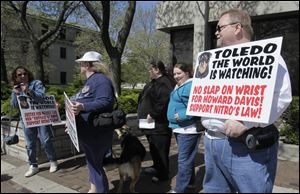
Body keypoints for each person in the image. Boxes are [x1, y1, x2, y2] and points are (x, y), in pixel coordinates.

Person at [201, 9, 292, 193]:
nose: (216, 32)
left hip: (244, 147)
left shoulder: (267, 57)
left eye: (220, 27)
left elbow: (281, 96)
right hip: (211, 143)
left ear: (237, 28)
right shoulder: (213, 60)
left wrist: (246, 121)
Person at [69, 51, 115, 193]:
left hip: (96, 132)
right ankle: (94, 188)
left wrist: (83, 106)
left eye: (81, 63)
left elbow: (106, 101)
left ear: (87, 65)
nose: (80, 65)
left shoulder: (101, 80)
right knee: (92, 162)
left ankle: (101, 190)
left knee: (95, 164)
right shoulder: (92, 80)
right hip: (88, 131)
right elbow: (82, 99)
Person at [11, 66, 58, 177]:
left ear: (28, 74)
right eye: (19, 75)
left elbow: (41, 98)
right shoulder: (16, 87)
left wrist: (28, 90)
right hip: (27, 119)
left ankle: (53, 161)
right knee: (30, 144)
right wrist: (16, 93)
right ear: (16, 77)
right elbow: (14, 106)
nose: (23, 76)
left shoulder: (36, 83)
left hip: (41, 117)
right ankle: (33, 165)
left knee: (45, 140)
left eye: (25, 73)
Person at [138, 60, 175, 182]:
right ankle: (156, 166)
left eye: (150, 69)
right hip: (150, 125)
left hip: (159, 125)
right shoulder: (153, 82)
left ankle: (163, 175)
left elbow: (164, 101)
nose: (149, 71)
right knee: (153, 148)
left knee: (161, 150)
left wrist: (153, 114)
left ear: (157, 69)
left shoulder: (164, 82)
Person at [167, 63, 202, 193]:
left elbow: (197, 106)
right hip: (180, 128)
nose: (176, 76)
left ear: (187, 72)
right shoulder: (181, 85)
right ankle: (191, 183)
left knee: (183, 160)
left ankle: (180, 190)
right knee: (187, 159)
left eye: (179, 73)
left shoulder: (190, 86)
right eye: (174, 74)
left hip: (188, 129)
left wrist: (180, 116)